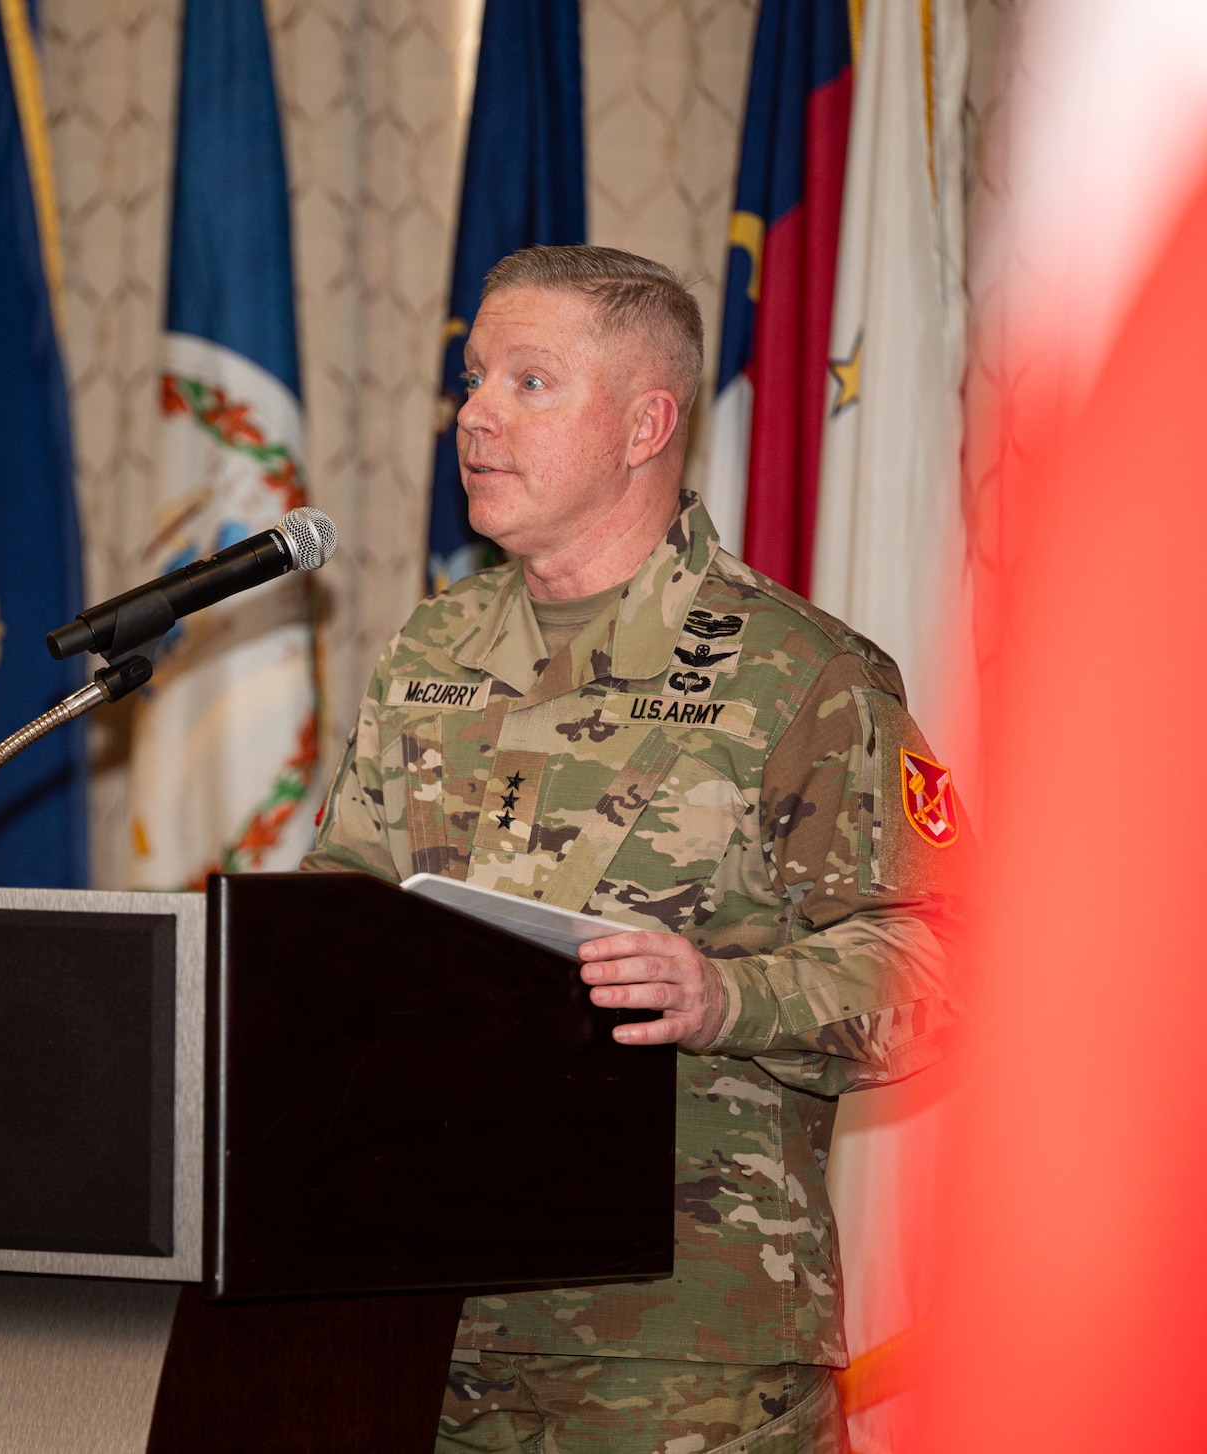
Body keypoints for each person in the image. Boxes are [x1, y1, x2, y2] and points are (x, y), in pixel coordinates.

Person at [302, 245, 963, 1453]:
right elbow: (339, 923)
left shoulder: (798, 672)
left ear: (644, 423)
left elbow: (940, 967)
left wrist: (726, 995)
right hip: (412, 1317)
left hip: (677, 1352)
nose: (475, 414)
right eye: (471, 378)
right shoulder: (428, 651)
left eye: (529, 382)